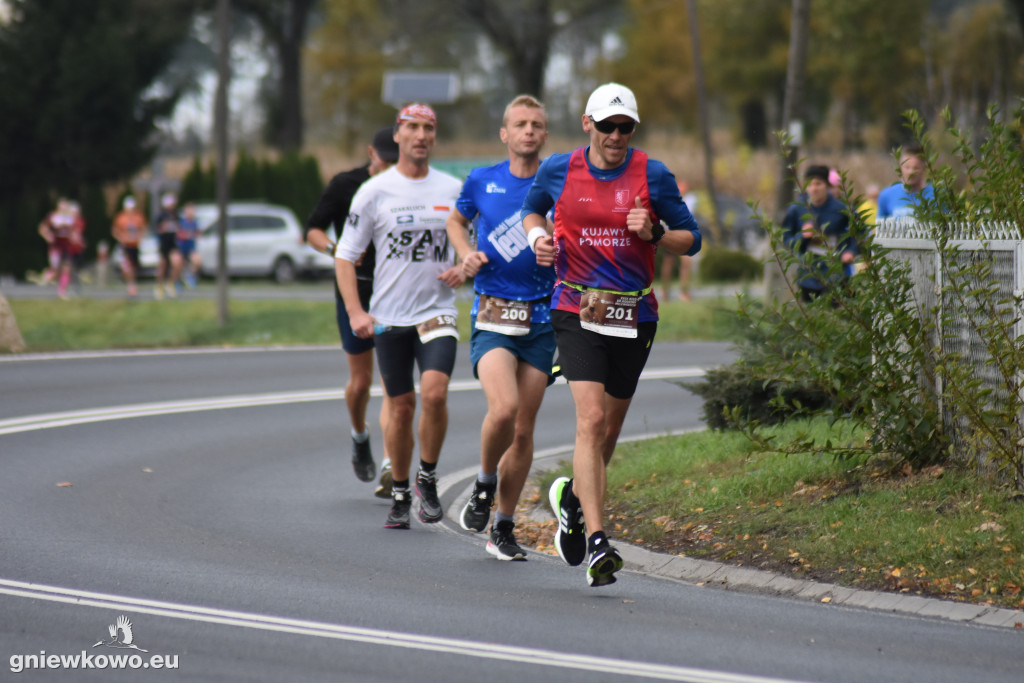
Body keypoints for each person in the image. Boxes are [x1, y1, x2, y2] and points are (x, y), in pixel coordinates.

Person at [520, 83, 701, 586]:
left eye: (626, 128)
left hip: (634, 314)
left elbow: (693, 241)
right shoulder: (559, 168)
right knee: (591, 419)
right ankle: (600, 542)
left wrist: (657, 235)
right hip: (574, 305)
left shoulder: (652, 174)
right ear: (587, 124)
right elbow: (532, 209)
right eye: (607, 126)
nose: (616, 136)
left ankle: (572, 502)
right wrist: (539, 238)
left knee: (608, 434)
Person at [335, 103, 464, 529]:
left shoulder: (452, 188)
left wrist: (465, 267)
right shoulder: (375, 191)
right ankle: (402, 490)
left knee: (435, 393)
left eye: (428, 128)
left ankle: (426, 476)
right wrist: (356, 311)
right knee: (402, 405)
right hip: (389, 315)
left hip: (437, 311)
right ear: (397, 135)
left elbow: (470, 243)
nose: (421, 136)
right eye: (413, 128)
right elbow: (345, 255)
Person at [446, 94, 556, 561]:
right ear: (505, 134)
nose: (529, 131)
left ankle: (503, 528)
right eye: (520, 124)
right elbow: (456, 219)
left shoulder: (560, 181)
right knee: (504, 408)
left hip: (543, 317)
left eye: (536, 124)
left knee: (525, 432)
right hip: (492, 314)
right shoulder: (481, 180)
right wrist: (464, 252)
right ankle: (485, 480)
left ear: (544, 134)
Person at [306, 127, 399, 491]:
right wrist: (335, 251)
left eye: (396, 160)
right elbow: (311, 229)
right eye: (384, 160)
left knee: (393, 383)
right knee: (361, 383)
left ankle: (393, 465)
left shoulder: (406, 186)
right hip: (354, 293)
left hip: (394, 294)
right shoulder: (346, 184)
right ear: (370, 153)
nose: (390, 166)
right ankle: (360, 435)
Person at [781, 164, 856, 302]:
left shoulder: (841, 209)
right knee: (813, 317)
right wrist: (802, 236)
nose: (814, 188)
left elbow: (858, 232)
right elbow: (786, 239)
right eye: (809, 184)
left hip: (837, 275)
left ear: (827, 186)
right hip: (809, 277)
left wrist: (850, 251)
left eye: (818, 184)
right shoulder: (797, 209)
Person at [876, 143, 935, 220]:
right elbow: (879, 227)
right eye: (907, 167)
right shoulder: (886, 195)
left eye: (916, 168)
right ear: (900, 167)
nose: (910, 172)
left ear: (924, 169)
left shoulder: (937, 196)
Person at [658, 181, 694, 302]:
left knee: (686, 262)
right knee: (669, 263)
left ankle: (684, 292)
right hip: (671, 236)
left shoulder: (688, 202)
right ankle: (665, 292)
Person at [37, 199, 77, 299]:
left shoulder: (70, 218)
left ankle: (62, 292)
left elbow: (72, 232)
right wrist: (47, 236)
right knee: (56, 269)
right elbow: (42, 228)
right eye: (62, 207)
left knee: (67, 269)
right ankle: (48, 274)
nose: (64, 209)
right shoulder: (53, 217)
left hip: (66, 246)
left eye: (65, 207)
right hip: (55, 246)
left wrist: (74, 238)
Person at [112, 196, 147, 297]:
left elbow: (144, 228)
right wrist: (121, 238)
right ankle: (131, 284)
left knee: (135, 265)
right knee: (128, 264)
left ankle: (132, 281)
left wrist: (140, 237)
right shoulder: (121, 217)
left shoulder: (138, 217)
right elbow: (115, 230)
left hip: (135, 245)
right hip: (126, 245)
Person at [154, 193, 183, 299]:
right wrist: (164, 228)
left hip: (172, 243)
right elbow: (158, 229)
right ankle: (159, 286)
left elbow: (179, 228)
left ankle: (170, 283)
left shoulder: (176, 215)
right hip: (164, 243)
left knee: (177, 263)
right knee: (163, 266)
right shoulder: (162, 216)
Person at [176, 202, 201, 289]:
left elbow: (197, 233)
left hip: (191, 248)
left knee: (197, 261)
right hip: (181, 248)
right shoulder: (181, 222)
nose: (192, 213)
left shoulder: (195, 222)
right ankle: (178, 281)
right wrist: (187, 235)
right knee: (178, 265)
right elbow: (178, 235)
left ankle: (189, 276)